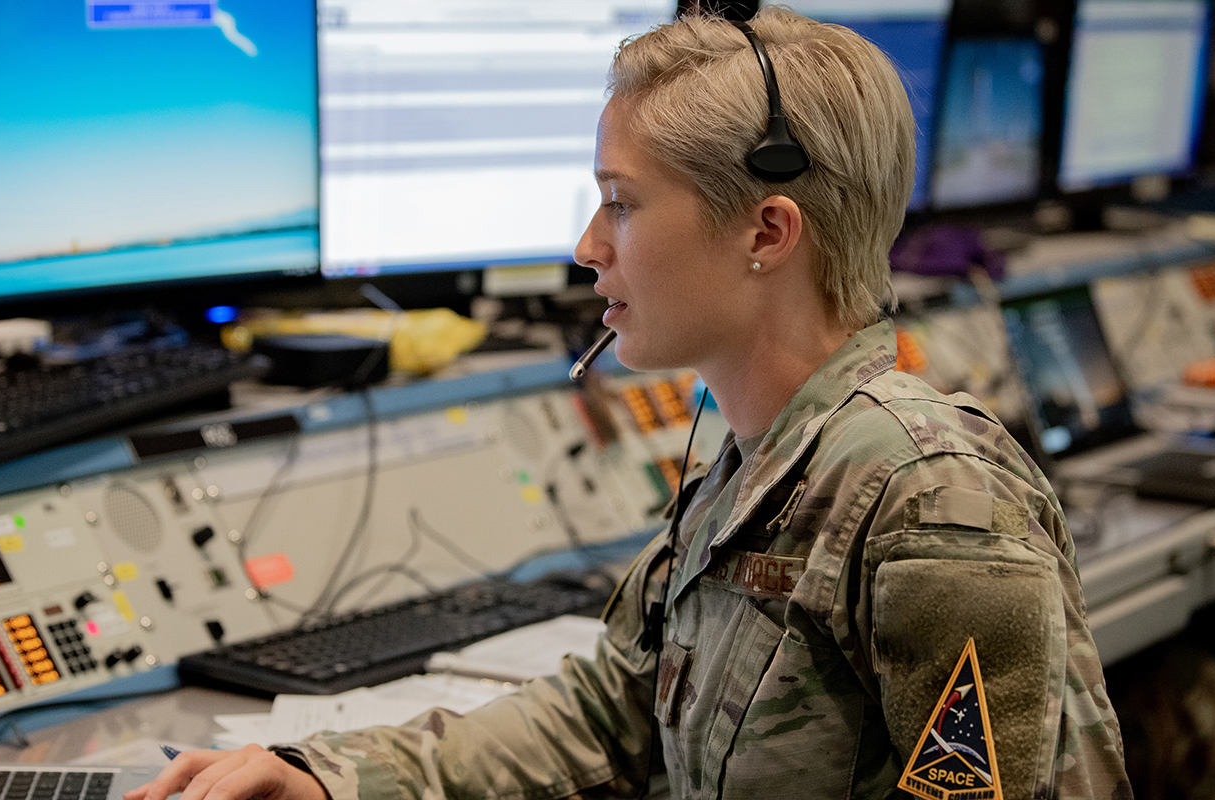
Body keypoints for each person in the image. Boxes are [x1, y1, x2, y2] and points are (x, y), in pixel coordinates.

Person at [126, 7, 1129, 799]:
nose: (587, 246)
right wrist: (327, 777)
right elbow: (612, 711)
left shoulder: (930, 500)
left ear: (767, 231)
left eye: (622, 202)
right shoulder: (753, 465)